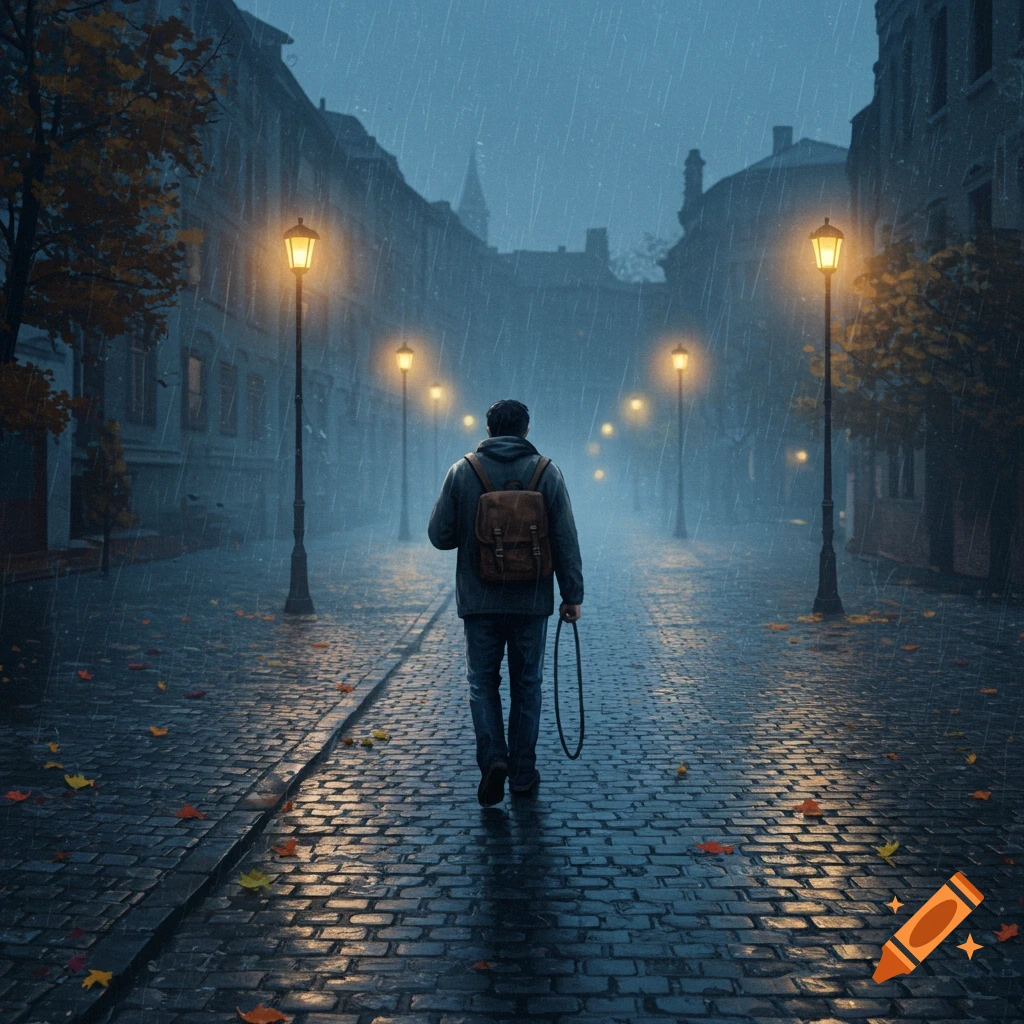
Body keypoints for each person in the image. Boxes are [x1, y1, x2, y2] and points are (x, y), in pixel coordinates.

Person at [428, 399, 584, 806]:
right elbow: (565, 537)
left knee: (482, 684)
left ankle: (493, 758)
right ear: (526, 431)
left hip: (479, 599)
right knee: (527, 685)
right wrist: (572, 595)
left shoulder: (463, 471)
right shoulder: (546, 473)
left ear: (489, 429)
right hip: (531, 599)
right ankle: (522, 773)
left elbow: (440, 536)